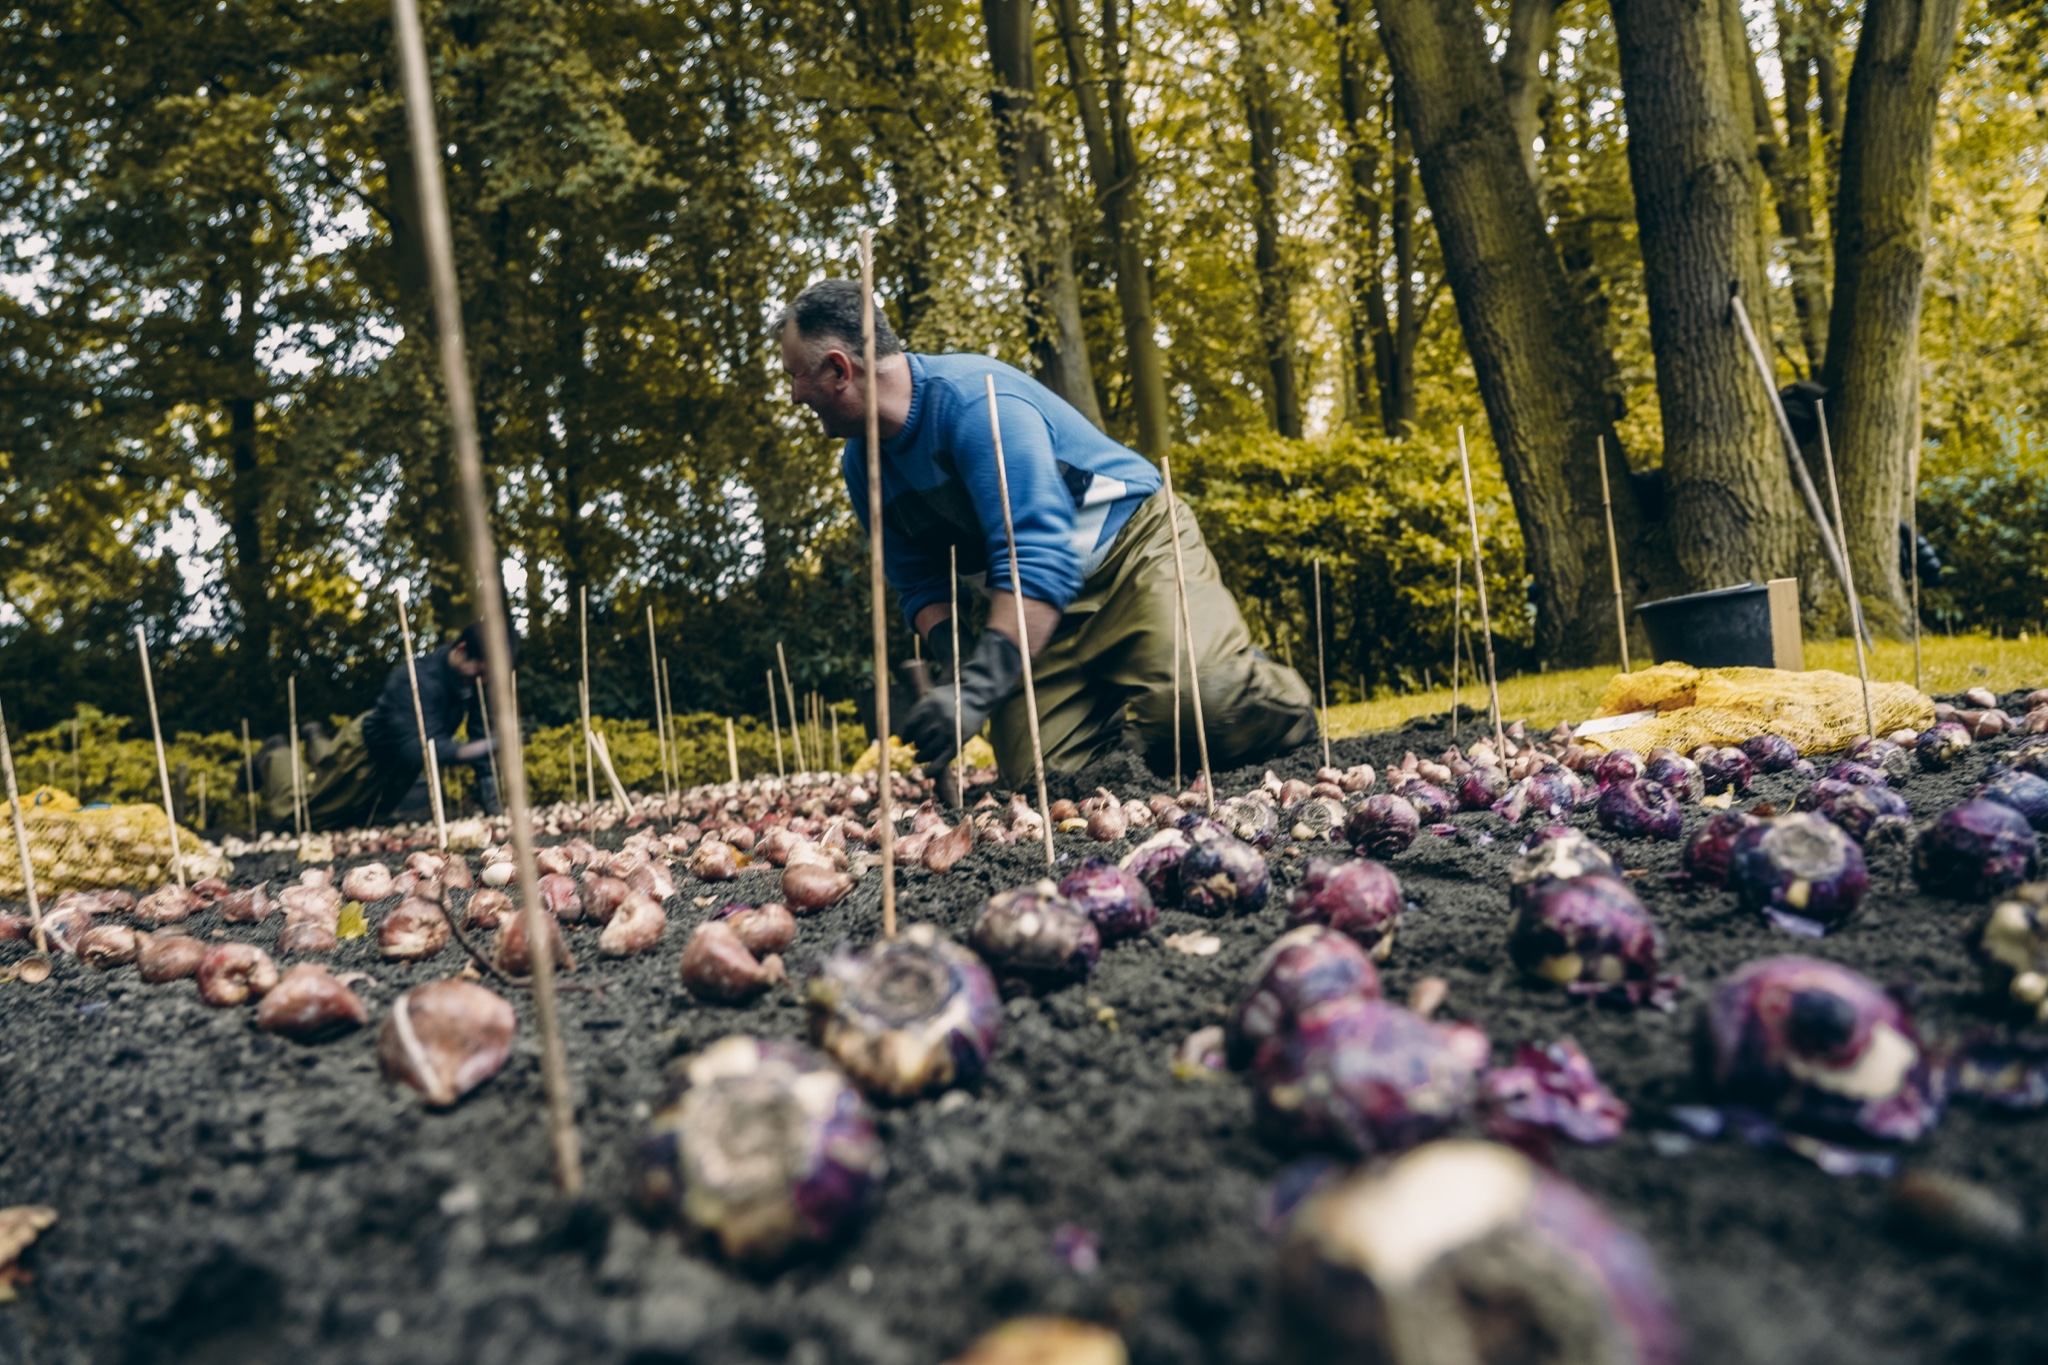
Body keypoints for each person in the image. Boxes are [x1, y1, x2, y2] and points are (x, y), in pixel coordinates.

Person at [775, 278, 1316, 783]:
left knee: (1207, 708)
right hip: (1031, 607)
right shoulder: (861, 466)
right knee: (1044, 777)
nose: (795, 395)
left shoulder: (977, 404)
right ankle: (1139, 710)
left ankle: (1254, 689)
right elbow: (917, 581)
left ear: (840, 370)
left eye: (795, 377)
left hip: (1129, 555)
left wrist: (984, 687)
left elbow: (1039, 556)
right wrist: (957, 664)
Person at [255, 621, 508, 831]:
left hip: (397, 770)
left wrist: (490, 797)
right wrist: (478, 749)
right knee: (304, 818)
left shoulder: (474, 679)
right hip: (364, 754)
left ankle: (315, 737)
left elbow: (480, 731)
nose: (482, 682)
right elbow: (416, 748)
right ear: (462, 650)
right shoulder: (416, 678)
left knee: (357, 821)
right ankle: (277, 754)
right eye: (479, 673)